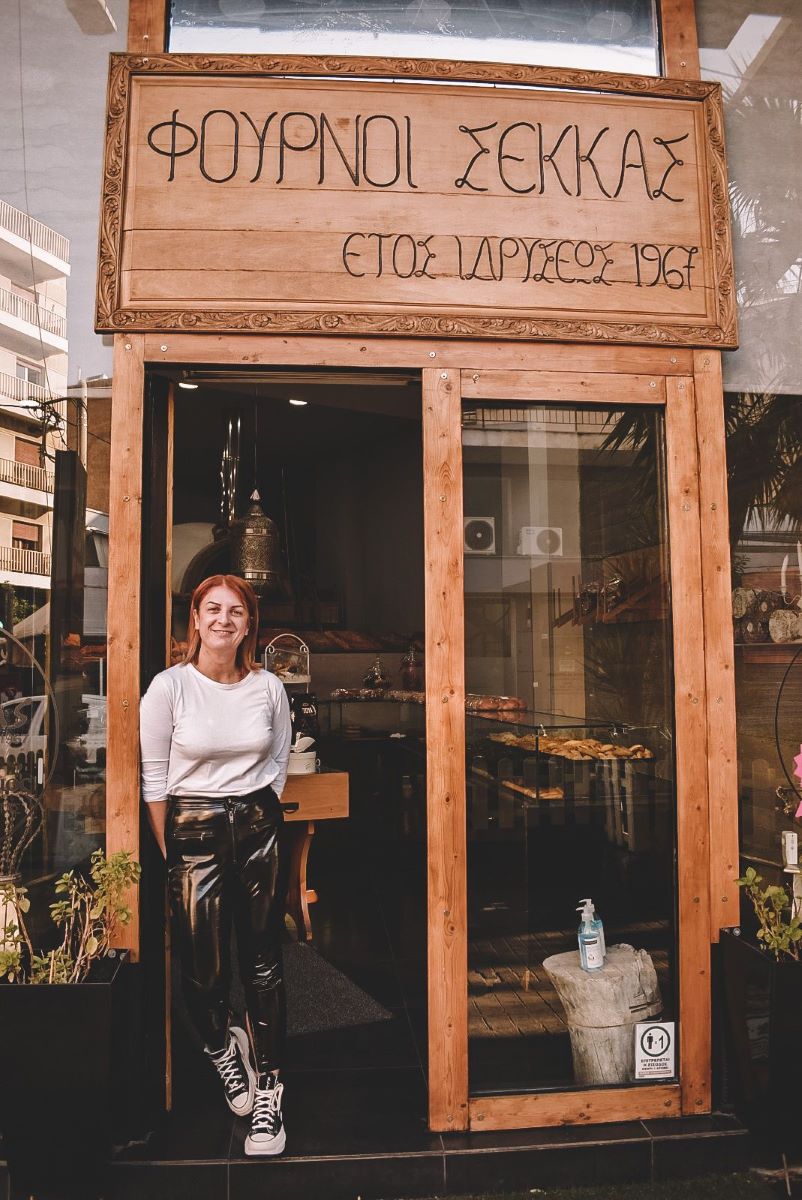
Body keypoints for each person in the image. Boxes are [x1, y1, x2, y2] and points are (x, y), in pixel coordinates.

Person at [139, 574, 291, 1156]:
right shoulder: (169, 688)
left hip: (257, 827)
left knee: (263, 961)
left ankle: (270, 1089)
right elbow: (155, 779)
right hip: (192, 830)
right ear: (197, 619)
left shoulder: (268, 687)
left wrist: (257, 809)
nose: (224, 620)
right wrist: (173, 848)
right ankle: (225, 1049)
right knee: (202, 969)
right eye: (213, 609)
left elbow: (278, 761)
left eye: (236, 611)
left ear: (249, 624)